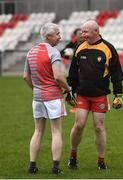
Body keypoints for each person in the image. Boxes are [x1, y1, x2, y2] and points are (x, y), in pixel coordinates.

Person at [66, 20, 123, 170]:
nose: (82, 34)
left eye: (85, 31)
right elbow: (73, 72)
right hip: (82, 95)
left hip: (100, 95)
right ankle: (73, 155)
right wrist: (69, 91)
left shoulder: (108, 48)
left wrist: (118, 93)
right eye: (82, 31)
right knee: (79, 125)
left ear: (95, 32)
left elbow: (116, 73)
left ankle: (101, 160)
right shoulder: (79, 48)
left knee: (99, 127)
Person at [23, 22, 72, 174]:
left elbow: (25, 76)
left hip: (37, 97)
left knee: (37, 131)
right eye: (57, 33)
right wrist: (68, 88)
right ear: (48, 36)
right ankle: (56, 167)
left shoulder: (30, 52)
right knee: (56, 131)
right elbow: (58, 76)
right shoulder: (53, 52)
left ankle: (32, 166)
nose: (60, 36)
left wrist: (36, 88)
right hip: (52, 96)